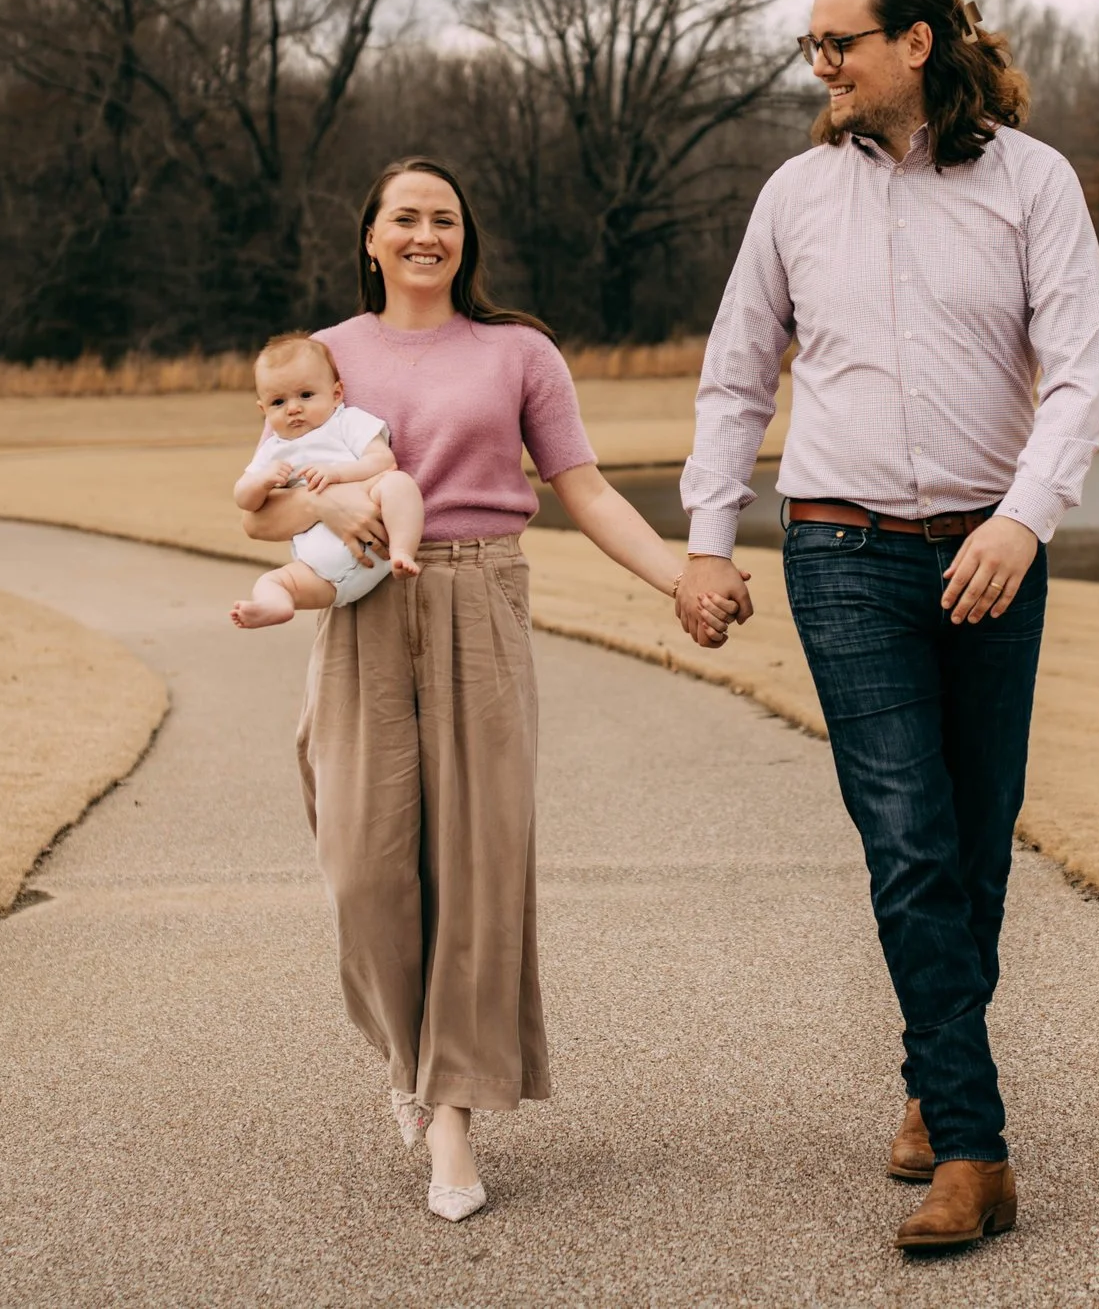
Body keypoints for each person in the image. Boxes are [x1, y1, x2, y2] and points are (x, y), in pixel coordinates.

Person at [675, 0, 1099, 1250]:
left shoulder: (1033, 184)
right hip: (842, 552)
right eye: (812, 47)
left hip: (990, 555)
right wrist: (708, 537)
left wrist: (1025, 519)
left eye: (839, 42)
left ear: (916, 44)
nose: (823, 66)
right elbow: (736, 374)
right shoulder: (796, 197)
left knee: (976, 835)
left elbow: (1080, 375)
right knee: (909, 834)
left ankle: (932, 1072)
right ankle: (974, 1147)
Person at [244, 155, 735, 1223]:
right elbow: (262, 509)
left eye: (446, 218)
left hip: (479, 602)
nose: (427, 233)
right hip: (362, 606)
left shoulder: (519, 351)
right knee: (364, 865)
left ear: (465, 238)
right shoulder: (323, 356)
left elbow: (585, 490)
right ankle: (404, 1054)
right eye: (406, 217)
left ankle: (451, 1116)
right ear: (370, 235)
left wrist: (679, 575)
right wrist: (335, 514)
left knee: (474, 866)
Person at [228, 332, 424, 629]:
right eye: (278, 402)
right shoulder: (274, 450)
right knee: (273, 580)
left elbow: (383, 460)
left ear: (336, 394)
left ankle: (402, 552)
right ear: (264, 411)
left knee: (398, 483)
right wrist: (263, 481)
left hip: (377, 536)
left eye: (306, 395)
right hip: (321, 573)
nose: (293, 408)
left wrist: (336, 474)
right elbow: (244, 500)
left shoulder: (345, 422)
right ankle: (275, 605)